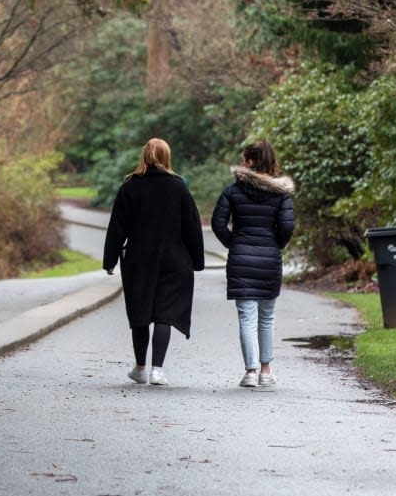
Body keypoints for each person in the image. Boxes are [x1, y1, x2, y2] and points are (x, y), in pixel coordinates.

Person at [103, 138, 205, 387]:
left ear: (144, 156)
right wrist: (197, 260)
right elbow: (192, 226)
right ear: (166, 157)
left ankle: (140, 367)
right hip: (174, 259)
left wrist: (110, 259)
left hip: (139, 260)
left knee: (141, 313)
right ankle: (157, 369)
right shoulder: (178, 187)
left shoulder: (130, 186)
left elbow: (117, 226)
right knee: (164, 314)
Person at [210, 141, 296, 389]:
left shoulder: (232, 192)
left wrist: (235, 244)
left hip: (241, 259)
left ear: (249, 162)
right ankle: (266, 372)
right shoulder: (281, 195)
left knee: (246, 318)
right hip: (269, 259)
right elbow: (287, 226)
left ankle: (250, 371)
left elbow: (218, 223)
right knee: (266, 317)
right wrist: (275, 244)